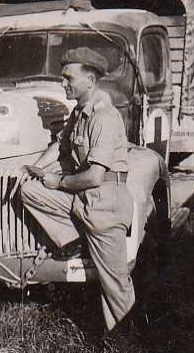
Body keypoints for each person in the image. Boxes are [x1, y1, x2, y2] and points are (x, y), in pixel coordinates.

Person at [20, 47, 135, 333]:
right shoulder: (79, 113)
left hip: (105, 205)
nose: (63, 84)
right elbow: (61, 146)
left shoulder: (103, 118)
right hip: (82, 201)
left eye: (69, 78)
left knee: (114, 285)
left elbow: (96, 176)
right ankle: (73, 241)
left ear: (90, 81)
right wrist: (31, 170)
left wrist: (57, 181)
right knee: (30, 191)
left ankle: (127, 350)